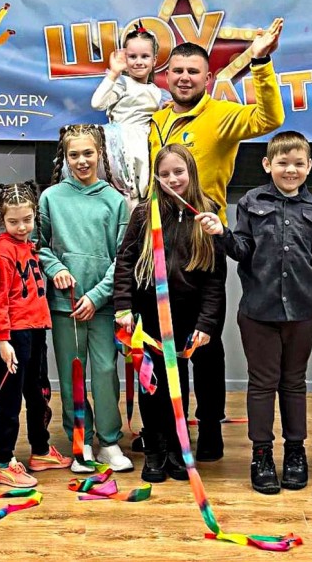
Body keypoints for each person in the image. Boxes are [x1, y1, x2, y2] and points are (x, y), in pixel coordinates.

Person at [197, 131, 312, 494]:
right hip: (258, 311)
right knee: (262, 383)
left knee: (294, 382)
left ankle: (296, 451)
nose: (290, 170)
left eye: (298, 163)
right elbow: (241, 249)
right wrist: (221, 233)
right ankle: (262, 454)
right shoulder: (251, 202)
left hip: (301, 311)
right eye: (282, 163)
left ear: (309, 166)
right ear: (267, 164)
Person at [148, 19, 285, 462]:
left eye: (194, 71)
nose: (184, 77)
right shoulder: (157, 121)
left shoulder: (221, 116)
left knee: (204, 343)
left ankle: (209, 428)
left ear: (208, 78)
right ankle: (168, 430)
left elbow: (270, 118)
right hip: (159, 244)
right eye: (177, 70)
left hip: (206, 242)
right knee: (163, 343)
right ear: (166, 76)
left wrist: (260, 62)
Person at [114, 144, 226, 483]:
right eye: (164, 174)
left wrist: (206, 323)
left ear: (191, 172)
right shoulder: (143, 214)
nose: (172, 179)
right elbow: (125, 261)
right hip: (148, 316)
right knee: (152, 384)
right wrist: (123, 306)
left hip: (187, 318)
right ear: (156, 178)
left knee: (180, 384)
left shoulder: (208, 213)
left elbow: (215, 278)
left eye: (179, 172)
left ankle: (178, 447)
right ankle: (155, 447)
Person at [39, 124, 132, 473]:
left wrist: (97, 296)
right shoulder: (51, 198)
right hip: (65, 307)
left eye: (88, 153)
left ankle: (108, 442)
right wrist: (56, 269)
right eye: (74, 154)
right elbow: (38, 245)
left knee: (106, 372)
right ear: (65, 157)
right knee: (71, 375)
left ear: (100, 154)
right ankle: (82, 442)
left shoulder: (115, 200)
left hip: (102, 306)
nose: (81, 161)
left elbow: (123, 257)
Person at [0, 181, 72, 488]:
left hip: (36, 330)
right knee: (10, 398)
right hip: (13, 334)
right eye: (13, 222)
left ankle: (40, 450)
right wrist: (3, 340)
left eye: (27, 220)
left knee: (38, 393)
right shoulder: (1, 249)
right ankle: (5, 462)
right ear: (1, 219)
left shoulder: (31, 246)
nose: (21, 227)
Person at [90, 22, 164, 207]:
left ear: (154, 60)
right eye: (132, 56)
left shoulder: (156, 91)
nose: (138, 61)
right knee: (121, 193)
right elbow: (97, 103)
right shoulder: (121, 82)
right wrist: (114, 73)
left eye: (145, 56)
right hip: (121, 142)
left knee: (142, 192)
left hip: (145, 143)